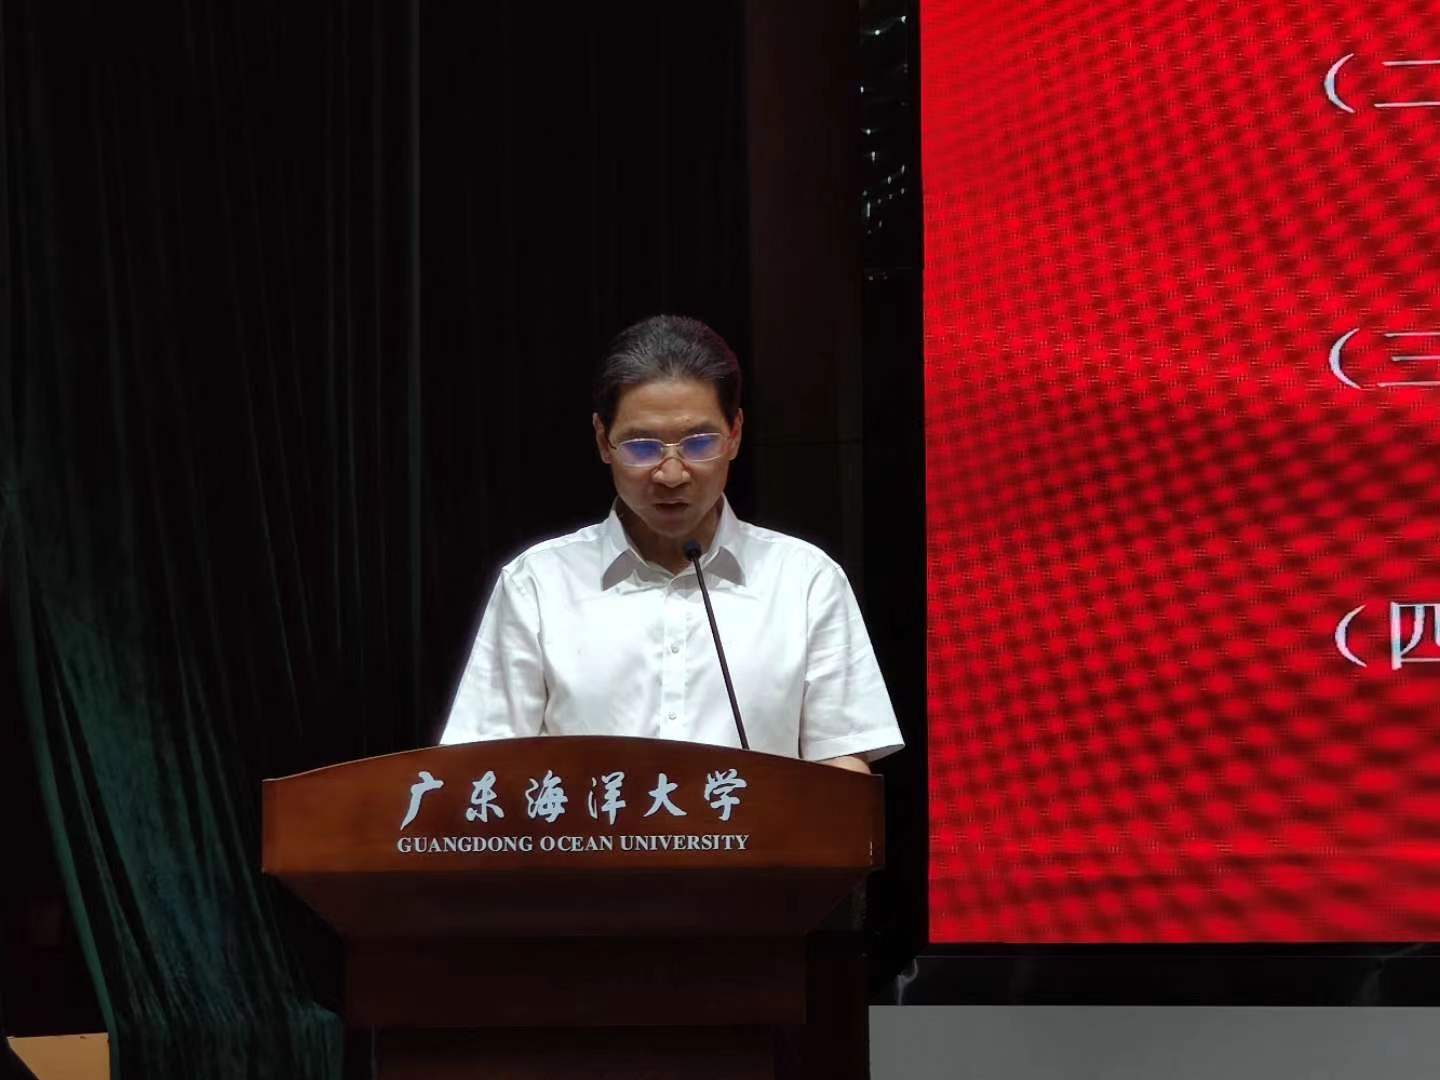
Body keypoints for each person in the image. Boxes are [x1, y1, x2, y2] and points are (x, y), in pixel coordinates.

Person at [440, 315, 903, 771]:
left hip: (761, 827)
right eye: (642, 447)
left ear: (735, 434)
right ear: (603, 441)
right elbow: (482, 770)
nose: (671, 474)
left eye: (699, 444)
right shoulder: (537, 583)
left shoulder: (805, 579)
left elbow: (842, 760)